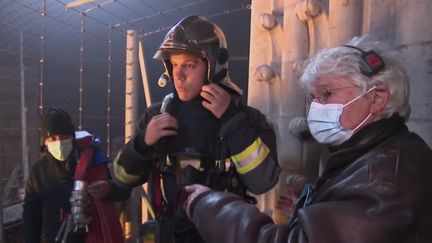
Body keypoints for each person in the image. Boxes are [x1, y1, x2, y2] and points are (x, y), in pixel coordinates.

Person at [181, 36, 432, 243]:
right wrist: (309, 215)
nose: (316, 108)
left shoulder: (387, 176)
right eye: (313, 97)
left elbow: (262, 184)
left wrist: (208, 204)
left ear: (377, 99)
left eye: (327, 93)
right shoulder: (374, 152)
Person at [112, 15, 280, 242]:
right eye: (174, 64)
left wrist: (231, 121)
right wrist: (143, 143)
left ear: (213, 66)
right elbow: (121, 179)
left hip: (225, 234)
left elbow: (262, 182)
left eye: (189, 65)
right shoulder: (158, 116)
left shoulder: (246, 120)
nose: (178, 76)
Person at [23, 107, 131, 243]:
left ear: (72, 137)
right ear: (45, 142)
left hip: (93, 236)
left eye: (63, 137)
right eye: (52, 139)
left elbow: (123, 189)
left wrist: (108, 188)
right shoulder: (38, 172)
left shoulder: (94, 161)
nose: (58, 142)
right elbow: (31, 215)